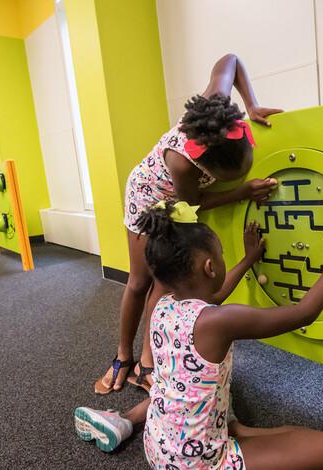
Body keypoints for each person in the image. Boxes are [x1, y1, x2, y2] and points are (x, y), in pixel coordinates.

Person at [75, 202, 323, 470]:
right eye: (221, 254)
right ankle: (235, 435)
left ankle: (133, 421)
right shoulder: (218, 322)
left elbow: (214, 294)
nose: (222, 260)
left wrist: (249, 259)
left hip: (157, 446)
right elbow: (303, 313)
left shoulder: (162, 306)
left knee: (177, 386)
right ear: (210, 267)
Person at [95, 54, 283, 394]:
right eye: (228, 176)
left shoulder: (217, 107)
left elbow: (231, 60)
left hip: (179, 197)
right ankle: (123, 356)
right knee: (140, 281)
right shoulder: (182, 164)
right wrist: (241, 192)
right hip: (150, 197)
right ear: (203, 167)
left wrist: (251, 105)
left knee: (164, 282)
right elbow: (193, 203)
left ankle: (146, 362)